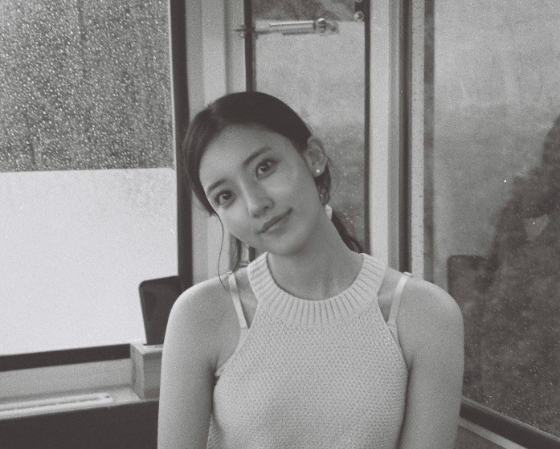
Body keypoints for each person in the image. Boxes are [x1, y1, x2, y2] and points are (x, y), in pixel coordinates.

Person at [158, 92, 464, 448]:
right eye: (225, 196)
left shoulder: (426, 315)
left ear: (314, 156)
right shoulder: (201, 315)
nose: (256, 204)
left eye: (264, 167)